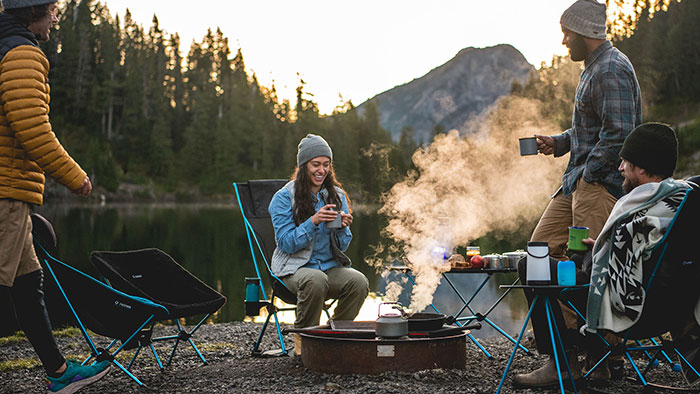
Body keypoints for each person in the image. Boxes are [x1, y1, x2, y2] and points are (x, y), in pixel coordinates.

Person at [514, 122, 686, 388]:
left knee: (533, 263)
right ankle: (599, 365)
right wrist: (602, 247)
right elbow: (641, 255)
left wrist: (598, 254)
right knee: (575, 260)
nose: (619, 169)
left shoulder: (636, 205)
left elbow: (616, 275)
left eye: (625, 162)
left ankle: (561, 365)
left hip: (629, 308)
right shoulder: (679, 201)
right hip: (668, 307)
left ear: (641, 167)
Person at [0, 0, 110, 392]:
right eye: (52, 9)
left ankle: (59, 374)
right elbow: (31, 127)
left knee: (29, 284)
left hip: (12, 193)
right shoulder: (22, 53)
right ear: (34, 12)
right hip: (5, 193)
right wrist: (74, 177)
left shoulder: (6, 45)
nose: (56, 16)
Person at [531, 0, 642, 260]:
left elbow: (619, 134)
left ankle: (579, 304)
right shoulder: (595, 68)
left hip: (598, 187)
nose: (564, 41)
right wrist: (559, 142)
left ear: (583, 33)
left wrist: (588, 177)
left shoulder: (610, 69)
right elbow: (594, 127)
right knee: (539, 254)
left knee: (588, 267)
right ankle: (557, 303)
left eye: (567, 33)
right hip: (577, 184)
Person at [269, 134, 369, 328]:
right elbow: (286, 244)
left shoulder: (336, 195)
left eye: (326, 164)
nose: (321, 170)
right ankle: (305, 339)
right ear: (303, 165)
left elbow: (342, 246)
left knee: (358, 282)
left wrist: (342, 228)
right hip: (293, 270)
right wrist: (313, 221)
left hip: (328, 268)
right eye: (316, 164)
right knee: (315, 280)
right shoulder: (283, 198)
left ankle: (335, 333)